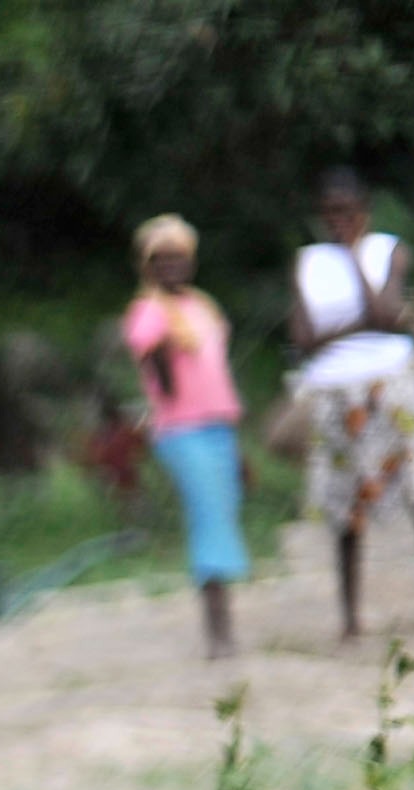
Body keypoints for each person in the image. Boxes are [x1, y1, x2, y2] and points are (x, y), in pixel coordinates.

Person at [287, 168, 414, 640]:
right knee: (344, 505)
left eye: (347, 212)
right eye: (331, 212)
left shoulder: (387, 250)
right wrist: (360, 325)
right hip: (335, 392)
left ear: (364, 210)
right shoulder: (308, 262)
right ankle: (350, 617)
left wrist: (354, 259)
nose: (339, 221)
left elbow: (386, 312)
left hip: (389, 386)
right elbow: (304, 338)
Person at [126, 215, 249, 659]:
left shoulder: (202, 306)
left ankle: (224, 624)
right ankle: (219, 634)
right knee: (209, 516)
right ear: (148, 266)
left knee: (223, 510)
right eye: (160, 260)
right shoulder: (148, 312)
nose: (171, 266)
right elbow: (159, 373)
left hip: (218, 425)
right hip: (182, 429)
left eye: (178, 257)